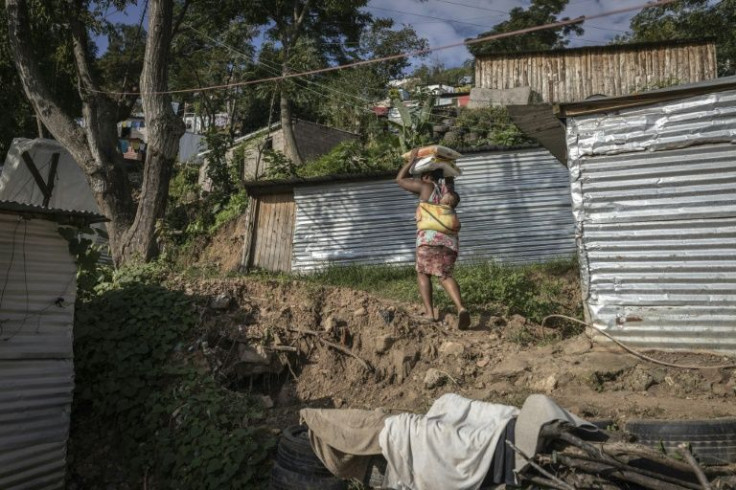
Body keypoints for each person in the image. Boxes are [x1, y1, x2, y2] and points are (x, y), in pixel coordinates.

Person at [396, 154, 470, 329]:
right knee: (445, 275)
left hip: (428, 239)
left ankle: (430, 313)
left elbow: (399, 179)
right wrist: (448, 171)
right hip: (449, 241)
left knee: (423, 273)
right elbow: (450, 178)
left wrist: (411, 161)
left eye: (421, 175)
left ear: (426, 175)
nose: (420, 179)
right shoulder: (450, 192)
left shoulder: (425, 186)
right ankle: (461, 308)